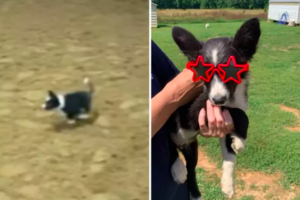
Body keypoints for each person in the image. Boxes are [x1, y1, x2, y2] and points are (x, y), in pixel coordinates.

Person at [151, 40, 233, 200]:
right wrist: (172, 96)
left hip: (175, 188)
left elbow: (178, 81)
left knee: (191, 162)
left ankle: (193, 188)